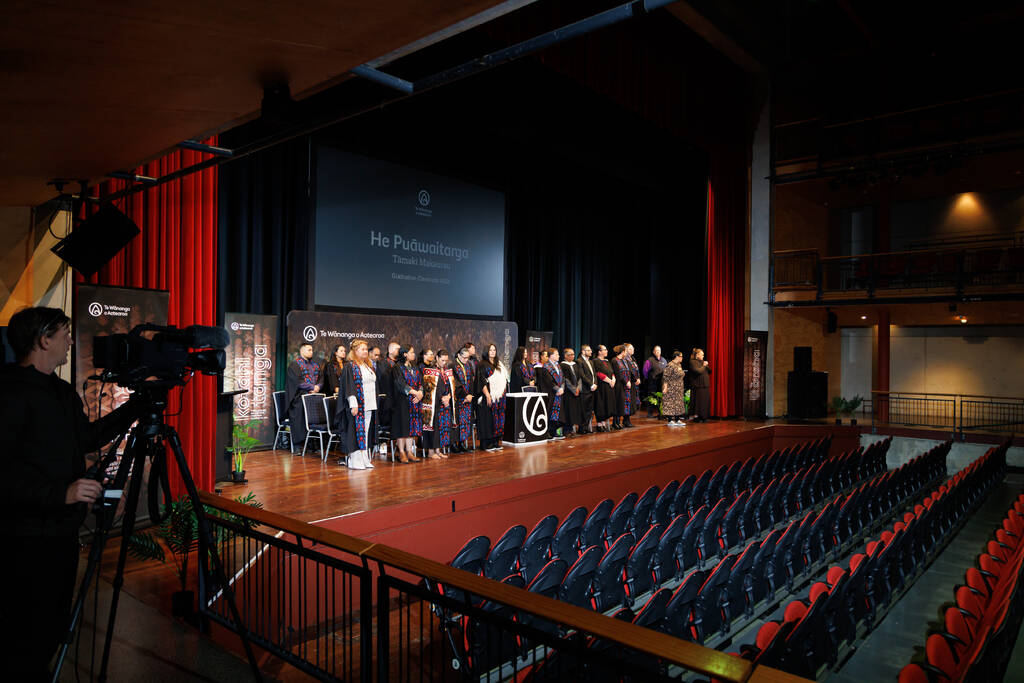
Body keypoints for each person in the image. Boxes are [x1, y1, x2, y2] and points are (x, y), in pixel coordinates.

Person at [1, 307, 140, 681]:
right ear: (43, 339)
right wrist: (58, 493)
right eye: (64, 334)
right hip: (23, 540)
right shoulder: (9, 393)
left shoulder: (62, 392)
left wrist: (137, 406)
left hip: (62, 534)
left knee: (52, 624)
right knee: (24, 630)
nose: (71, 341)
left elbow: (87, 439)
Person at [339, 339, 385, 470]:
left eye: (366, 349)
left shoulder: (367, 365)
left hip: (369, 404)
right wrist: (353, 403)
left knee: (365, 431)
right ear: (355, 351)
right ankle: (354, 459)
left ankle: (364, 457)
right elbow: (349, 386)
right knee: (356, 431)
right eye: (362, 349)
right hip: (357, 405)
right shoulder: (350, 366)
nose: (365, 351)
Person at [391, 346, 424, 463]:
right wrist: (415, 393)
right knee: (402, 427)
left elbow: (421, 381)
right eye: (411, 352)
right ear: (405, 354)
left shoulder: (414, 366)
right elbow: (400, 384)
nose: (414, 354)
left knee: (412, 427)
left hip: (415, 401)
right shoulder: (397, 367)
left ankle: (409, 451)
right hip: (402, 402)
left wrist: (420, 393)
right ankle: (401, 452)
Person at [421, 349, 455, 459]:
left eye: (446, 361)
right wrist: (442, 397)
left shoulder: (446, 371)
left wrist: (449, 396)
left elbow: (452, 385)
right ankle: (431, 452)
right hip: (433, 403)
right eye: (442, 360)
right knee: (432, 426)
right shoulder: (430, 370)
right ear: (437, 358)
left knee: (441, 427)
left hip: (444, 403)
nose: (444, 363)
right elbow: (429, 387)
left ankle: (438, 450)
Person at [285, 342, 320, 449]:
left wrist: (318, 387)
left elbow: (321, 378)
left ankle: (312, 443)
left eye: (312, 350)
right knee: (299, 415)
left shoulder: (315, 365)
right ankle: (298, 445)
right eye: (309, 350)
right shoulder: (295, 365)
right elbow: (298, 382)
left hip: (313, 396)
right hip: (299, 396)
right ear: (302, 351)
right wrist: (312, 387)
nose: (311, 352)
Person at [474, 342, 507, 452]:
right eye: (490, 350)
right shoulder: (482, 364)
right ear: (486, 351)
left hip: (499, 398)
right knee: (487, 420)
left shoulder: (499, 364)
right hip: (487, 397)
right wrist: (488, 395)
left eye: (494, 350)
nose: (493, 352)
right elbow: (481, 381)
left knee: (498, 419)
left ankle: (495, 442)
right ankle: (486, 444)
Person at [451, 344, 476, 453]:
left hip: (467, 399)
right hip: (458, 399)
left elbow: (471, 382)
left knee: (465, 422)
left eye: (468, 357)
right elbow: (455, 383)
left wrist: (470, 395)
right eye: (464, 357)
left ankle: (462, 443)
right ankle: (453, 444)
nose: (466, 360)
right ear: (458, 355)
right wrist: (464, 395)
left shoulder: (468, 365)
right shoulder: (453, 366)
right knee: (457, 421)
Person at [536, 347, 565, 439]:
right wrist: (557, 389)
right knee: (549, 412)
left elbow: (563, 378)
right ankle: (547, 431)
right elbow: (549, 382)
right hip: (551, 394)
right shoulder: (545, 367)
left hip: (558, 393)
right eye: (557, 354)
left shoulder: (558, 366)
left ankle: (553, 430)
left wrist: (562, 388)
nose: (559, 356)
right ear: (551, 356)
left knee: (557, 413)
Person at [592, 344, 616, 432]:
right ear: (599, 352)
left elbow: (612, 372)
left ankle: (604, 422)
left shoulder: (607, 361)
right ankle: (599, 423)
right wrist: (609, 381)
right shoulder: (596, 361)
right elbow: (598, 373)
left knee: (607, 403)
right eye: (604, 350)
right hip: (602, 386)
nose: (606, 351)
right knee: (601, 404)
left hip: (609, 386)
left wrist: (613, 379)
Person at [660, 350, 687, 425]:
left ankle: (677, 420)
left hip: (678, 389)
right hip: (671, 388)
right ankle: (670, 420)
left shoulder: (679, 365)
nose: (682, 358)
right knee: (670, 403)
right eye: (681, 356)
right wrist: (665, 387)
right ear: (676, 357)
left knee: (678, 404)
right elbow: (665, 377)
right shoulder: (670, 365)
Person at [560, 348, 583, 436]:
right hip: (568, 392)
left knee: (574, 411)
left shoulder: (575, 364)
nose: (573, 356)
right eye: (570, 355)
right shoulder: (563, 365)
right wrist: (573, 389)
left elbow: (579, 378)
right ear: (565, 355)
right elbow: (565, 379)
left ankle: (572, 429)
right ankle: (567, 430)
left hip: (576, 392)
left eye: (573, 354)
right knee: (568, 410)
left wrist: (578, 388)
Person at [576, 345, 597, 433]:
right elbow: (582, 375)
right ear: (583, 351)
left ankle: (586, 427)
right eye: (588, 350)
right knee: (583, 409)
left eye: (590, 350)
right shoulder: (579, 361)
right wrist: (590, 384)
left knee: (589, 409)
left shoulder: (591, 362)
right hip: (585, 389)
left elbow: (594, 374)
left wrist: (595, 384)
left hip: (592, 389)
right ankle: (581, 428)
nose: (591, 352)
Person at [611, 345, 633, 430]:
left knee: (622, 404)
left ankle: (619, 422)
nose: (626, 353)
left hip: (625, 386)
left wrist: (629, 381)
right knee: (618, 403)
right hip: (619, 385)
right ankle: (615, 422)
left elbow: (628, 372)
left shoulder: (624, 361)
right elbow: (618, 374)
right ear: (622, 352)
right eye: (625, 351)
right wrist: (626, 382)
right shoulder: (615, 360)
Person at [643, 345, 668, 417]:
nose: (658, 352)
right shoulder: (650, 360)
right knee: (651, 397)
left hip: (661, 382)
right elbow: (645, 371)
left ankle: (661, 413)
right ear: (653, 352)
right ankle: (650, 413)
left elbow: (666, 370)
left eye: (659, 350)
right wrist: (649, 378)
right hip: (652, 382)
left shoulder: (664, 360)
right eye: (656, 351)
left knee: (661, 397)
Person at [689, 348, 712, 422]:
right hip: (698, 385)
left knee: (704, 402)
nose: (703, 356)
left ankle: (704, 417)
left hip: (705, 384)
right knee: (698, 402)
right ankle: (697, 417)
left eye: (703, 355)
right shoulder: (693, 362)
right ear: (697, 355)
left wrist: (706, 365)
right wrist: (704, 366)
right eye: (702, 355)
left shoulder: (702, 362)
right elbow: (698, 371)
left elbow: (710, 371)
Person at [625, 342, 642, 421]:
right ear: (626, 350)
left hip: (635, 383)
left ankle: (628, 420)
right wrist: (635, 379)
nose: (632, 350)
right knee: (628, 402)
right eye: (630, 349)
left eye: (632, 348)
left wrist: (638, 378)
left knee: (633, 402)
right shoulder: (625, 359)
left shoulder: (633, 359)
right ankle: (626, 420)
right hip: (630, 382)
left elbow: (636, 370)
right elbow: (629, 371)